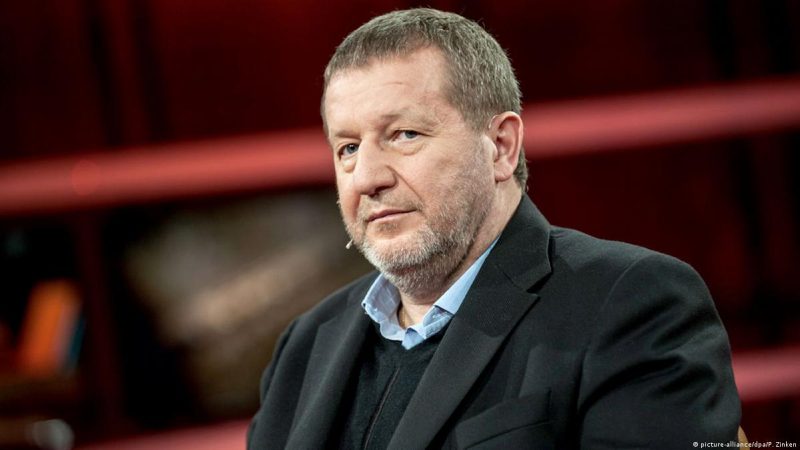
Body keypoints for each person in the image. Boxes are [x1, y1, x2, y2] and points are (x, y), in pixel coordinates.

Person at [248, 8, 741, 449]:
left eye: (404, 135)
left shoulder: (630, 303)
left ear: (501, 146)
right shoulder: (305, 344)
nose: (367, 178)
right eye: (349, 148)